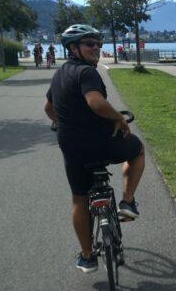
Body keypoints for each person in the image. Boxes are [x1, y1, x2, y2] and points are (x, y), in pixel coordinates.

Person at [43, 24, 145, 274]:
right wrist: (118, 119)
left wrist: (62, 123)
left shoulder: (59, 75)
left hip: (73, 150)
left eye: (98, 44)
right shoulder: (87, 73)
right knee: (137, 150)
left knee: (79, 197)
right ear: (73, 48)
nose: (96, 48)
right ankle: (127, 202)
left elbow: (48, 108)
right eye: (89, 44)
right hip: (101, 144)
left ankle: (87, 256)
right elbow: (96, 102)